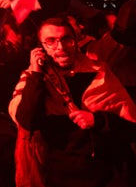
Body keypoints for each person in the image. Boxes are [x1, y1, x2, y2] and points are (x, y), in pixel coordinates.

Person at [9, 15, 136, 187]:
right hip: (65, 174)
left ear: (75, 41)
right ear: (41, 47)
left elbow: (130, 126)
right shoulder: (33, 78)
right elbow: (27, 121)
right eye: (51, 41)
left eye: (66, 39)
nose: (60, 47)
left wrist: (98, 120)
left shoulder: (101, 71)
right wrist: (37, 75)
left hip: (112, 171)